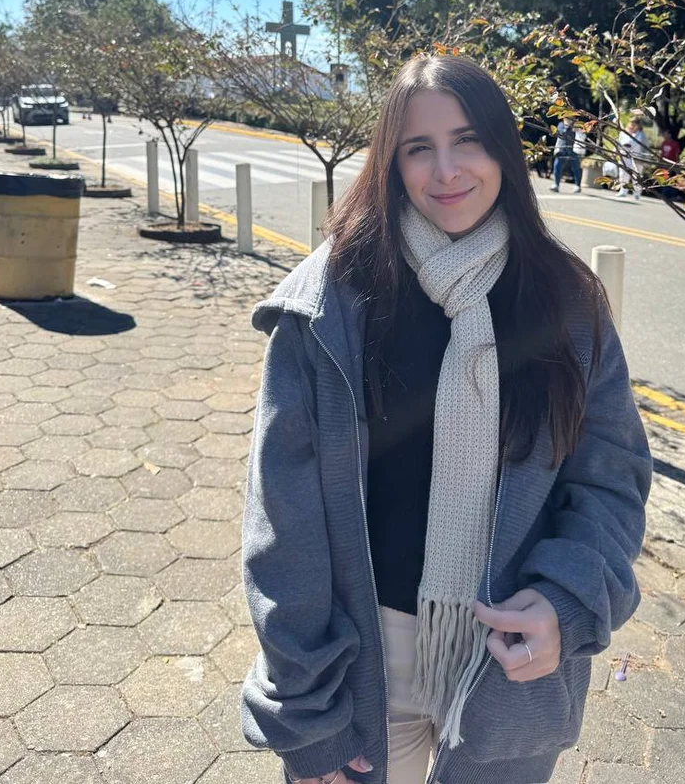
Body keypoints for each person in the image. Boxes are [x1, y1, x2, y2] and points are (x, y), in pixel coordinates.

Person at [241, 55, 651, 784]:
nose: (446, 170)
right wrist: (305, 716)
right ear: (390, 163)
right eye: (418, 148)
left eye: (468, 140)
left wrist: (566, 602)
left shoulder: (565, 302)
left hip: (511, 661)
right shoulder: (332, 304)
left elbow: (610, 482)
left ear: (504, 150)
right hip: (362, 664)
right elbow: (283, 524)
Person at [615, 115, 648, 201]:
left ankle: (637, 193)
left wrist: (645, 158)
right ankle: (623, 191)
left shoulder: (641, 135)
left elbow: (645, 147)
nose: (632, 126)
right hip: (624, 157)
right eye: (631, 124)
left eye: (634, 125)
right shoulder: (623, 133)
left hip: (637, 158)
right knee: (623, 175)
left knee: (636, 176)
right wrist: (615, 151)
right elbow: (618, 143)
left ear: (638, 126)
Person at [549, 114, 582, 193]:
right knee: (557, 166)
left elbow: (580, 136)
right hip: (562, 149)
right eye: (567, 118)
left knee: (576, 168)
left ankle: (577, 186)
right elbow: (559, 135)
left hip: (573, 150)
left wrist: (576, 128)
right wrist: (556, 148)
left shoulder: (576, 126)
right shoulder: (560, 125)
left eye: (570, 118)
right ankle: (556, 184)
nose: (568, 119)